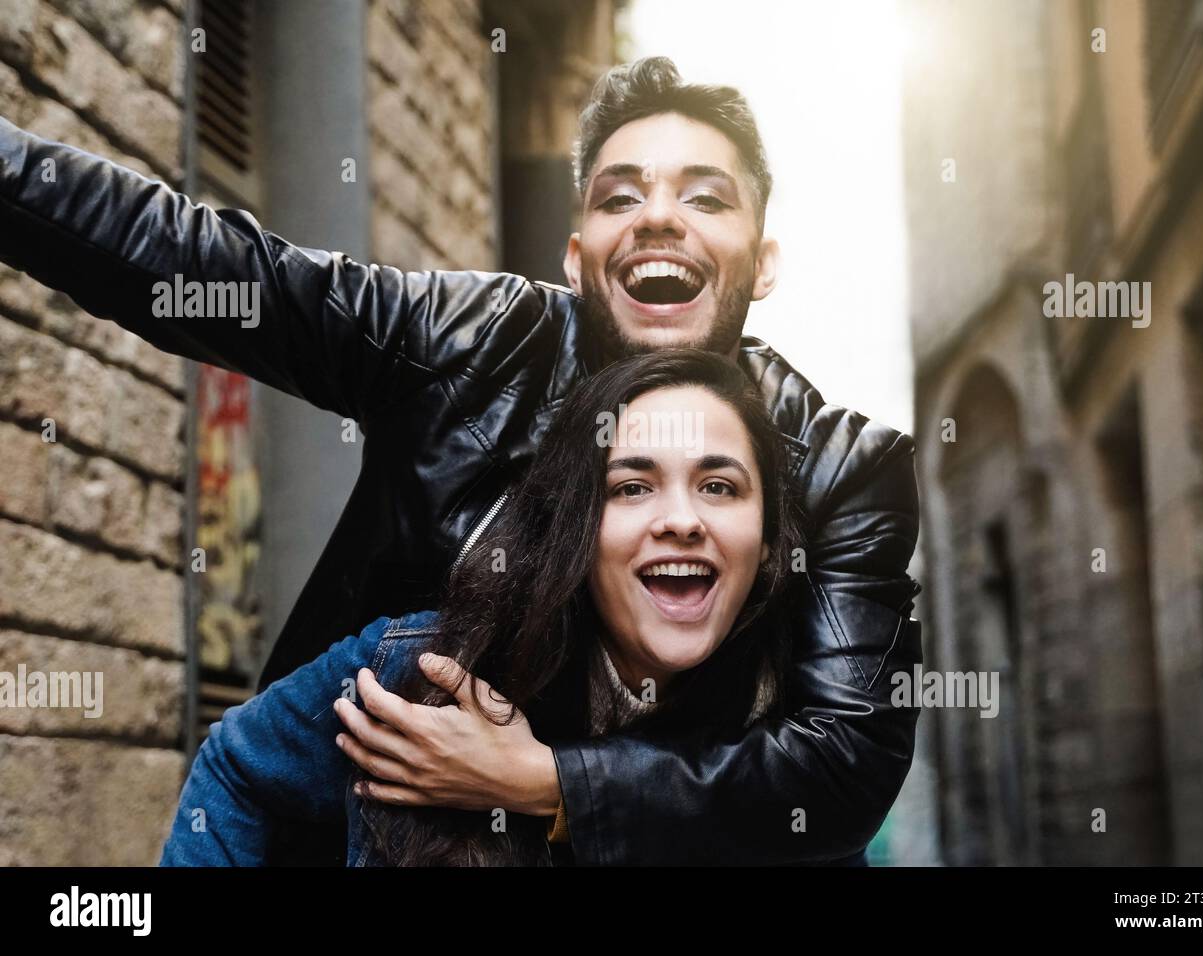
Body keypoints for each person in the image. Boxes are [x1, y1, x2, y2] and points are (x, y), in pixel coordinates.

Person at [0, 56, 922, 865]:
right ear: (575, 258)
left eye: (705, 197)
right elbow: (217, 269)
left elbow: (841, 766)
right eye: (620, 196)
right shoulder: (466, 342)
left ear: (763, 262)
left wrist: (552, 784)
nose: (658, 218)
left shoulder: (840, 468)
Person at [161, 350, 803, 866]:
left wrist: (550, 787)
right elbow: (237, 766)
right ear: (576, 530)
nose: (682, 520)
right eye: (633, 487)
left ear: (770, 541)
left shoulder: (808, 751)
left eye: (718, 486)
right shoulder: (424, 670)